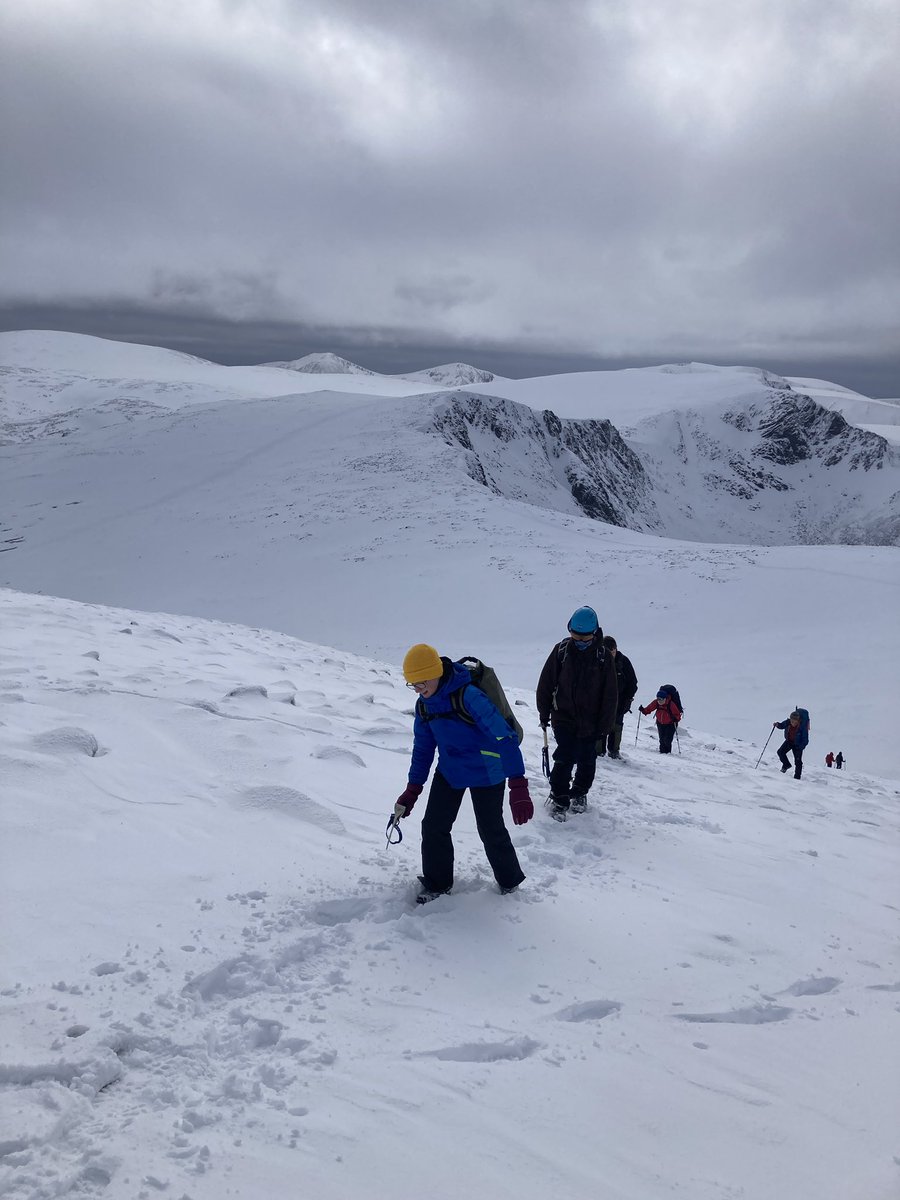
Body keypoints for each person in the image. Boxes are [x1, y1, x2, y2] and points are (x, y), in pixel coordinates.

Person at [395, 643, 533, 904]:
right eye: (413, 684)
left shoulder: (469, 696)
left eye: (423, 681)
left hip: (487, 769)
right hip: (451, 769)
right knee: (434, 826)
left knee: (490, 829)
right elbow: (423, 748)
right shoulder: (424, 707)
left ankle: (510, 883)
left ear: (436, 672)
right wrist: (413, 789)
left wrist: (518, 785)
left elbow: (505, 737)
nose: (419, 689)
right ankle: (437, 884)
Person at [536, 606, 618, 821]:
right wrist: (544, 713)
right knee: (564, 756)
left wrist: (605, 726)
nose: (580, 641)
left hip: (592, 721)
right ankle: (560, 797)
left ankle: (580, 793)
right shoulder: (561, 651)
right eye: (576, 636)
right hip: (563, 717)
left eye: (585, 637)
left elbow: (610, 695)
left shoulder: (603, 657)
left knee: (587, 758)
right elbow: (546, 683)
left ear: (595, 633)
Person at [597, 635, 637, 760]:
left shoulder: (623, 662)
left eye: (613, 650)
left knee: (617, 727)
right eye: (608, 651)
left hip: (619, 702)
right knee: (599, 726)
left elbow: (632, 682)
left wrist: (628, 699)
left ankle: (614, 751)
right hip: (600, 702)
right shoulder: (598, 660)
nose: (611, 653)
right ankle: (598, 751)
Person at [639, 687, 682, 753]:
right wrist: (643, 710)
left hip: (671, 724)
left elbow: (678, 715)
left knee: (667, 739)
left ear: (665, 698)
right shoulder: (656, 702)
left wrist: (675, 719)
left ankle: (667, 753)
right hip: (660, 723)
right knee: (661, 739)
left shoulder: (671, 704)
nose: (659, 701)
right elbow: (649, 709)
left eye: (661, 699)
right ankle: (662, 753)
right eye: (658, 699)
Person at [773, 710, 809, 779]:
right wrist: (777, 724)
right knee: (780, 752)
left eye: (795, 722)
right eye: (792, 721)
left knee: (798, 762)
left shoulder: (802, 727)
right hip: (789, 741)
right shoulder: (788, 722)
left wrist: (801, 747)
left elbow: (805, 740)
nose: (793, 723)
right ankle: (786, 765)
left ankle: (797, 777)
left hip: (797, 745)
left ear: (798, 721)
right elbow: (782, 725)